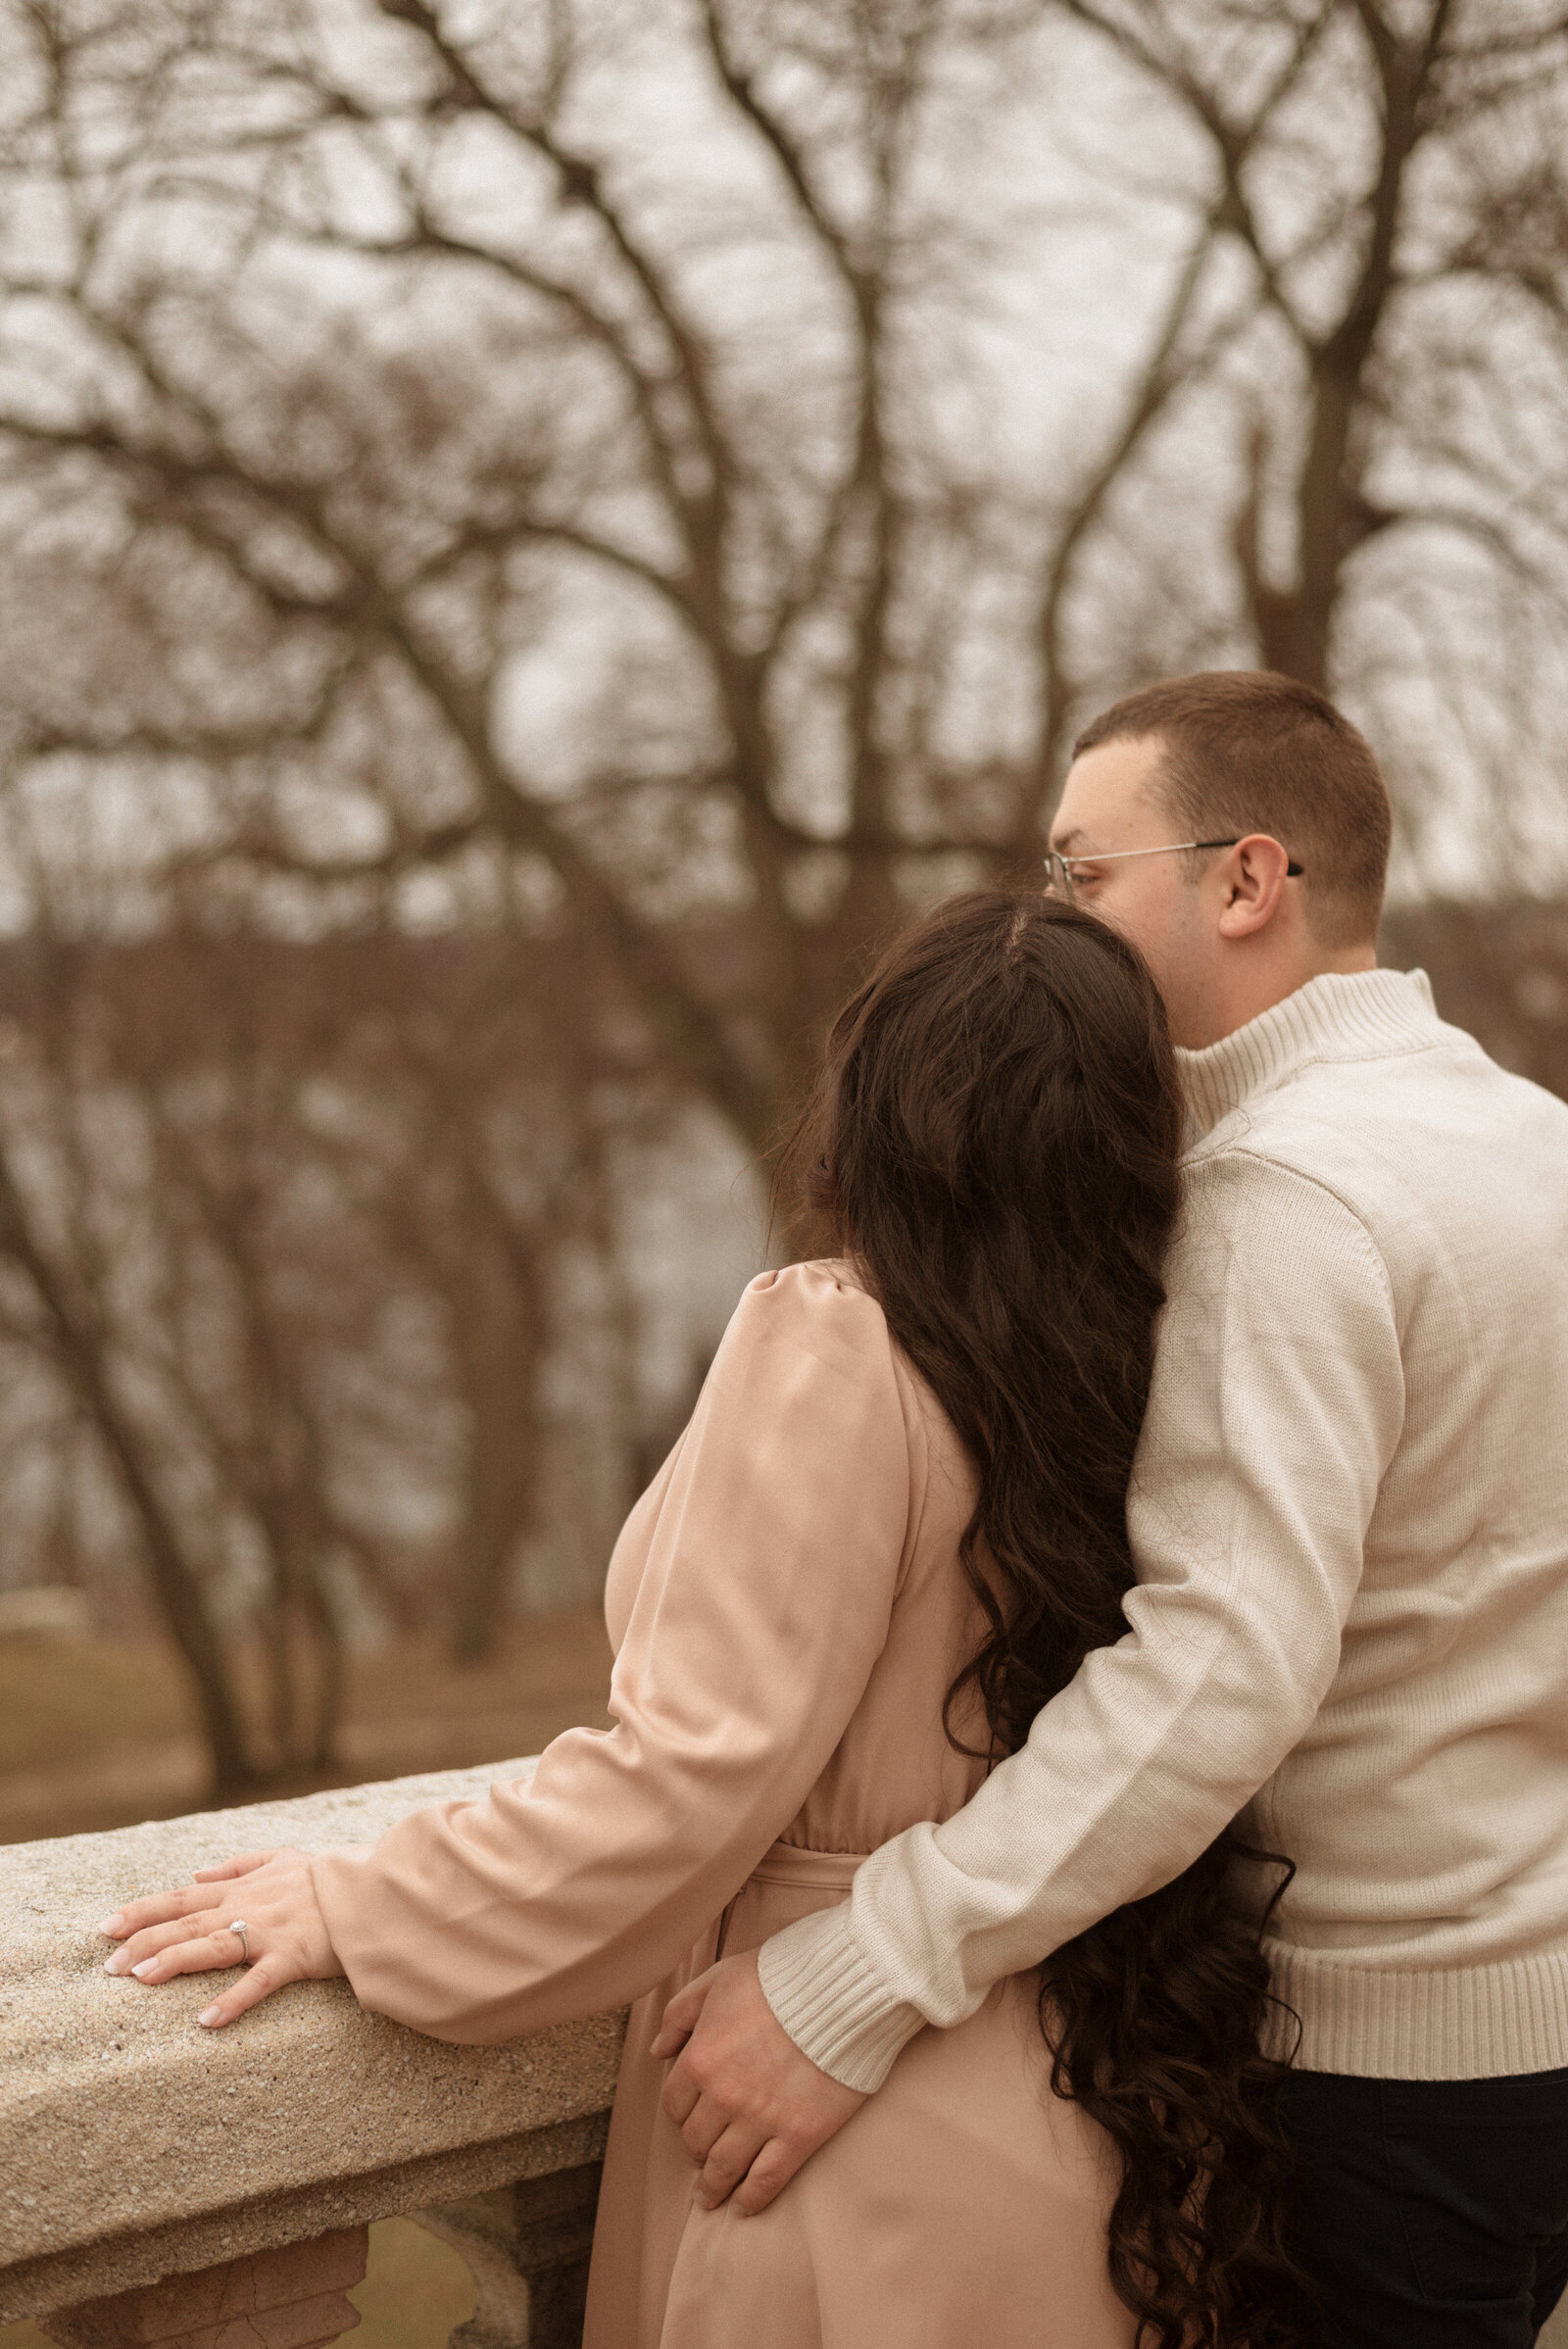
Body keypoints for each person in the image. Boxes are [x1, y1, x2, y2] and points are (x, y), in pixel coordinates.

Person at [94, 888, 1303, 2349]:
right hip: (1080, 2110)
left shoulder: (842, 1347)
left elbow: (684, 1778)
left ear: (879, 1107)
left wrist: (369, 1900)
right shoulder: (1150, 1362)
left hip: (829, 2135)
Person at [656, 670, 1568, 2349]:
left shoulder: (1281, 1197)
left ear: (1247, 879)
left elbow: (1214, 1667)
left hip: (1378, 2075)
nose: (1053, 912)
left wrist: (861, 1973)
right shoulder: (1532, 1140)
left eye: (1083, 870)